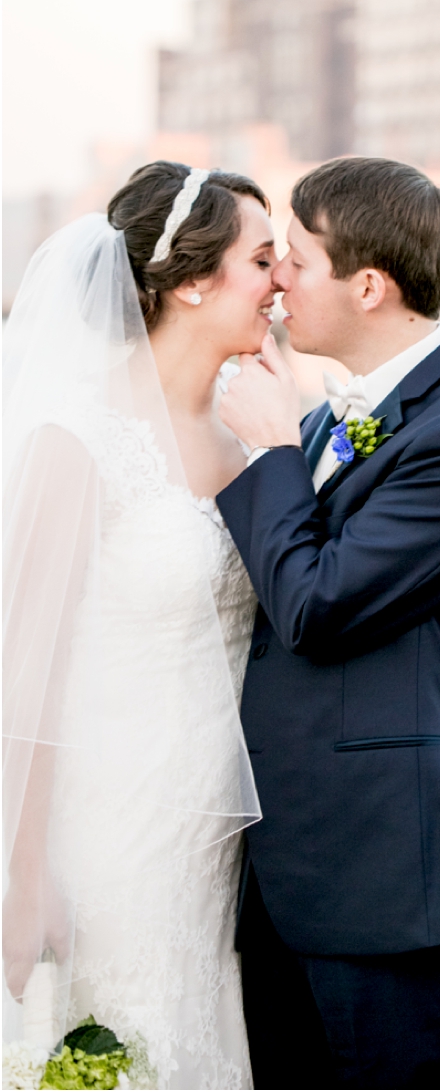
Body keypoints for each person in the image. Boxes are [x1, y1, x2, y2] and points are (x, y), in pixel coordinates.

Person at [217, 156, 440, 1091]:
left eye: (298, 262)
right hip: (292, 879)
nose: (278, 282)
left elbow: (316, 607)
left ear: (368, 285)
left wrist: (274, 446)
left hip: (397, 888)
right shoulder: (337, 421)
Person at [2, 162, 278, 1089]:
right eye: (264, 258)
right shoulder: (76, 439)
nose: (281, 282)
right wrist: (25, 870)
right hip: (110, 837)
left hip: (225, 849)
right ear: (193, 280)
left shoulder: (256, 447)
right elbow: (24, 672)